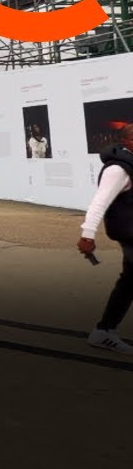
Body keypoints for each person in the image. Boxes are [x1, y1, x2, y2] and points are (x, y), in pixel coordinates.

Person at [78, 124, 133, 354]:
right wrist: (87, 235)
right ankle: (103, 330)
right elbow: (99, 202)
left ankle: (105, 330)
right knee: (130, 281)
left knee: (130, 281)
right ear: (127, 141)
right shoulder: (117, 169)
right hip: (129, 232)